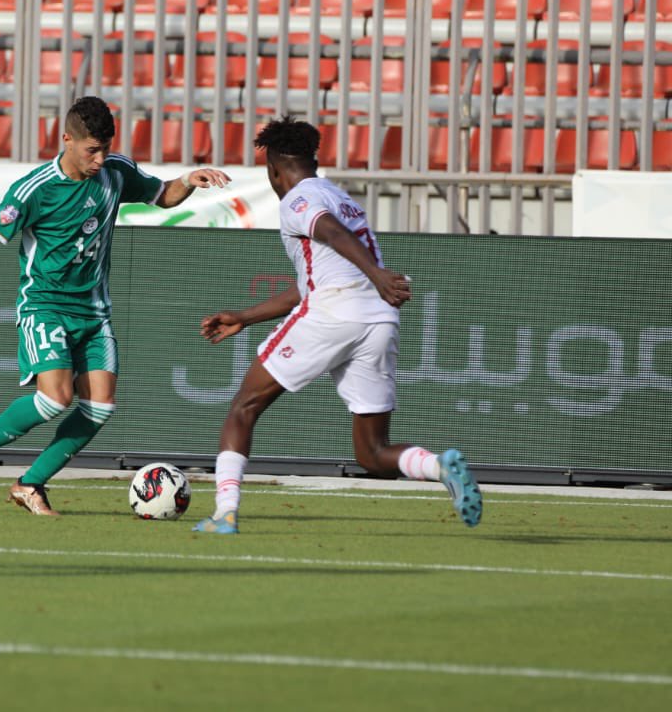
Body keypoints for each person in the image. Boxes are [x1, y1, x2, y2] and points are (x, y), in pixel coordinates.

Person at [0, 96, 231, 516]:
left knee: (100, 406)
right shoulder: (35, 189)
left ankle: (30, 484)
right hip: (45, 306)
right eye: (92, 150)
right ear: (67, 140)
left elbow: (162, 195)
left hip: (94, 312)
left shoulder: (115, 171)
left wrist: (188, 180)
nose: (100, 159)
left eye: (105, 149)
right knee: (55, 398)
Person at [192, 116, 483, 534]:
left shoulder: (298, 199)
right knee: (372, 453)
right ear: (313, 160)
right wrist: (245, 317)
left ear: (273, 171)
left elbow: (328, 232)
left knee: (244, 407)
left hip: (335, 313)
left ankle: (224, 514)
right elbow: (312, 281)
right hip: (378, 319)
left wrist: (377, 274)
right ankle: (439, 466)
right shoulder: (341, 197)